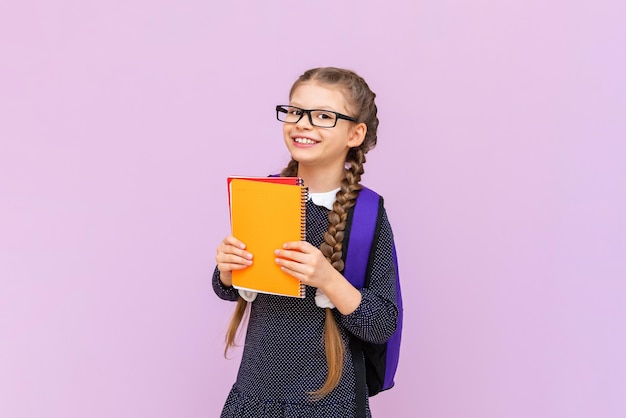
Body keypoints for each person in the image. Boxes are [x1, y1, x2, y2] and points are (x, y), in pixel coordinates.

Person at [213, 66, 398, 417]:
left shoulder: (367, 214)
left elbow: (382, 323)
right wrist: (226, 269)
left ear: (355, 134)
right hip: (254, 396)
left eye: (323, 116)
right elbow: (227, 287)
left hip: (331, 404)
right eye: (295, 111)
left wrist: (328, 279)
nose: (302, 123)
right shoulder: (262, 196)